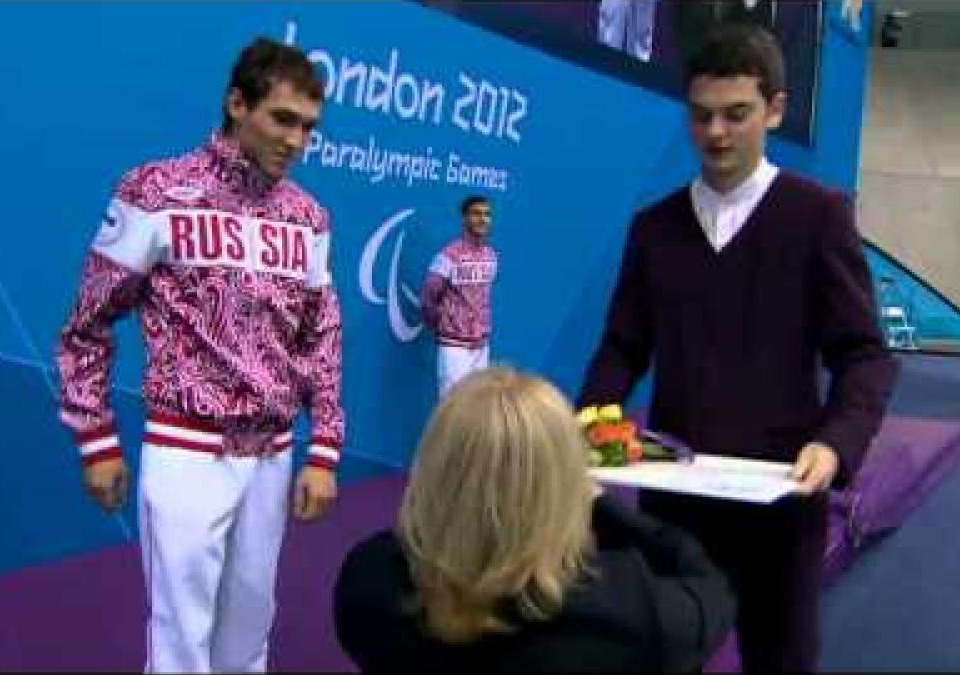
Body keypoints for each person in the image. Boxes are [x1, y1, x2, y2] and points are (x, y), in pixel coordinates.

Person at [576, 23, 897, 672]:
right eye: (701, 116)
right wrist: (580, 430)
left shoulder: (818, 217)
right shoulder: (654, 228)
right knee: (662, 658)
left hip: (781, 502)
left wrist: (835, 444)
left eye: (736, 114)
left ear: (775, 109)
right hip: (674, 502)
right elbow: (621, 347)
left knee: (779, 660)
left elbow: (866, 354)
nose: (716, 133)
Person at [54, 37, 344, 673]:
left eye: (309, 128)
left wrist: (324, 447)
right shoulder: (156, 191)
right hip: (187, 451)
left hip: (272, 456)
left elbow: (322, 337)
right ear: (237, 103)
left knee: (248, 642)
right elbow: (87, 326)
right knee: (181, 645)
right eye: (282, 119)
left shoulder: (310, 218)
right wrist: (96, 439)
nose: (297, 141)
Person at [334, 367, 735, 673]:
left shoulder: (370, 587)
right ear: (567, 486)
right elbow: (708, 585)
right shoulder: (629, 612)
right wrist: (601, 506)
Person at [420, 195, 499, 398]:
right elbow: (429, 297)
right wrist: (446, 326)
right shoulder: (448, 256)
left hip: (481, 346)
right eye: (476, 214)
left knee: (477, 408)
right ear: (464, 218)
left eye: (487, 214)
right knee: (452, 406)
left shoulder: (491, 255)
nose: (483, 219)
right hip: (454, 347)